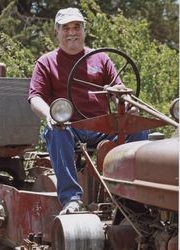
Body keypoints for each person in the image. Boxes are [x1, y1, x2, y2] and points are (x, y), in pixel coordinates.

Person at [28, 7, 148, 215]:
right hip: (69, 126)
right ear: (57, 31)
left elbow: (119, 90)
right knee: (57, 131)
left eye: (77, 27)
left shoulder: (101, 58)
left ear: (84, 31)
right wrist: (49, 114)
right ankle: (71, 199)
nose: (72, 32)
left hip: (102, 126)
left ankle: (130, 197)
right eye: (66, 28)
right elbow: (34, 97)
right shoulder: (46, 62)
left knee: (138, 128)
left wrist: (127, 102)